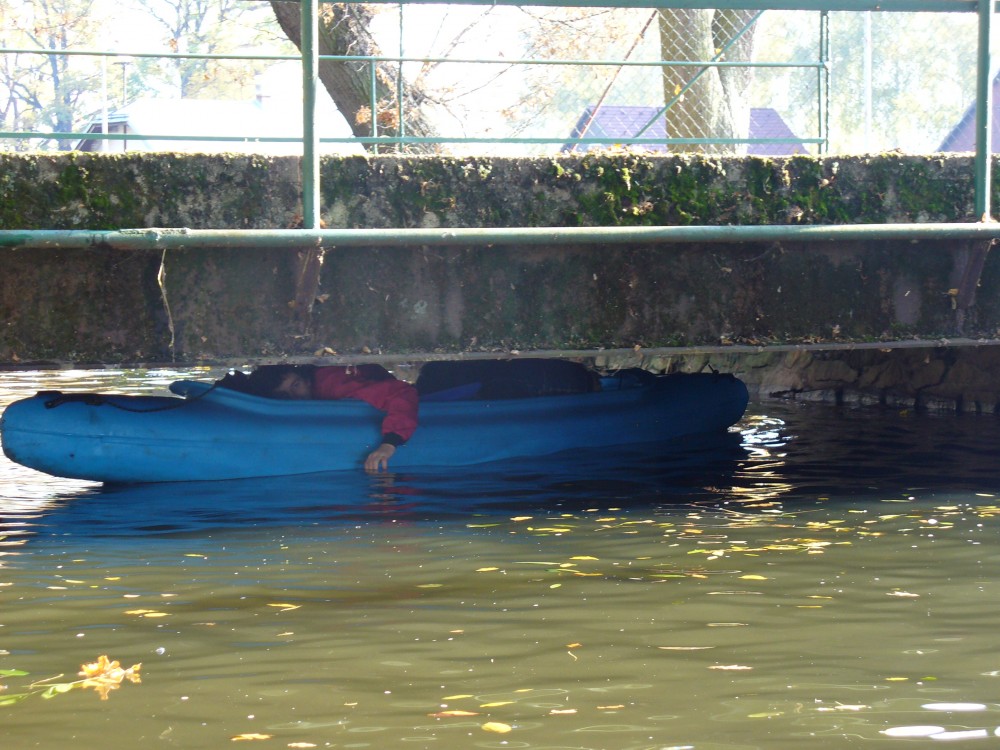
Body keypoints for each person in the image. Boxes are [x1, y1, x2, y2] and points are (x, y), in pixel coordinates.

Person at [219, 364, 418, 473]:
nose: (294, 396)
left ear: (306, 379)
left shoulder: (333, 384)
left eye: (296, 385)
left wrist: (389, 443)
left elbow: (402, 392)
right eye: (284, 395)